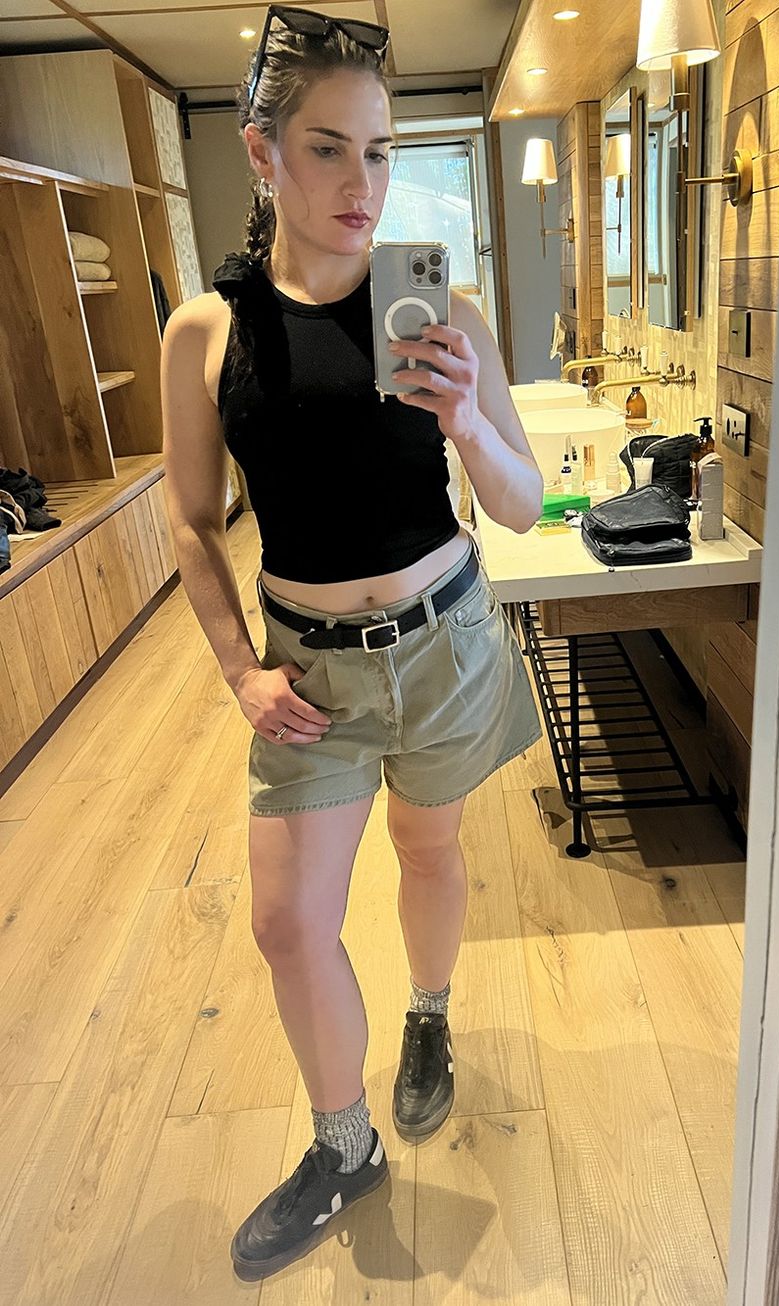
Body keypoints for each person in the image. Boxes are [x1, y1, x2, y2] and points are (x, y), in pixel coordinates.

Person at [159, 5, 544, 1283]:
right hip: (308, 671)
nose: (360, 184)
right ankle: (343, 1146)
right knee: (286, 921)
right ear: (261, 152)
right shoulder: (206, 332)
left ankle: (427, 1016)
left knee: (428, 849)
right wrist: (237, 670)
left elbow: (520, 503)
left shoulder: (442, 308)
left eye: (378, 152)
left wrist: (466, 424)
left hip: (443, 642)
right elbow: (190, 519)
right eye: (328, 149)